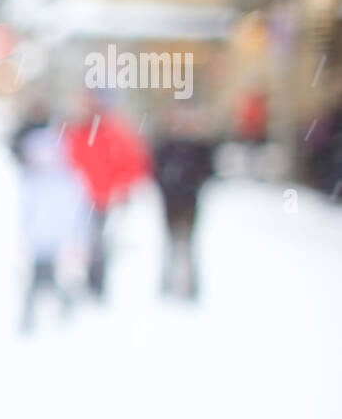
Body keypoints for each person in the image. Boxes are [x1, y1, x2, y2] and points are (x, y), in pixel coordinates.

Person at [64, 89, 150, 299]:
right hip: (77, 198)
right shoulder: (77, 130)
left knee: (97, 243)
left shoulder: (115, 131)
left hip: (102, 199)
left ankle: (96, 285)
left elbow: (135, 164)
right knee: (79, 243)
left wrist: (119, 188)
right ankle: (80, 281)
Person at [16, 124, 87, 332]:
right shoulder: (31, 181)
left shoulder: (66, 181)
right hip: (38, 241)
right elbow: (24, 211)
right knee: (34, 279)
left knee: (59, 277)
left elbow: (76, 211)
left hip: (60, 242)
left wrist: (76, 236)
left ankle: (65, 309)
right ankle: (28, 317)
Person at [151, 106, 215, 300]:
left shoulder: (199, 147)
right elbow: (155, 171)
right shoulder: (166, 146)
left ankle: (191, 288)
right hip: (170, 203)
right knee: (169, 245)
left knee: (189, 246)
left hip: (190, 203)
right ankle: (166, 286)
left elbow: (208, 172)